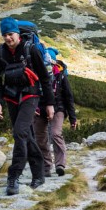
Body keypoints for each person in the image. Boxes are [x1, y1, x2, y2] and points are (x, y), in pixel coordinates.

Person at [0, 17, 54, 195]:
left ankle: (14, 176)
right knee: (26, 134)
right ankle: (38, 173)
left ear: (18, 34)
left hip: (30, 95)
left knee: (19, 132)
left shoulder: (31, 49)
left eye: (10, 34)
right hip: (11, 98)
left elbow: (44, 78)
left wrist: (49, 104)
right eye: (5, 35)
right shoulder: (0, 54)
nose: (8, 38)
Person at [34, 46, 78, 176]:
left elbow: (69, 97)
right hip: (40, 109)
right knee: (40, 137)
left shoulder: (61, 77)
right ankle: (46, 167)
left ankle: (60, 164)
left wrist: (72, 118)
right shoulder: (36, 74)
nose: (47, 65)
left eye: (50, 62)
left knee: (55, 134)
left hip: (58, 108)